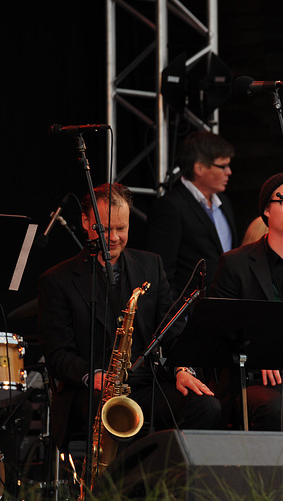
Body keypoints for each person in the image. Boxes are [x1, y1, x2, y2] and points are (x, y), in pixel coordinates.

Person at [37, 183, 221, 454]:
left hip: (145, 385)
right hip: (90, 392)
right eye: (105, 228)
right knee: (108, 410)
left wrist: (182, 369)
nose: (113, 237)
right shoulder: (56, 280)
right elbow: (58, 354)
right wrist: (96, 377)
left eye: (121, 229)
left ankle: (169, 484)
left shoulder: (151, 265)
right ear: (86, 222)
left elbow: (174, 334)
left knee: (206, 407)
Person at [208, 172, 283, 430]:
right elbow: (218, 331)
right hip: (255, 381)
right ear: (266, 209)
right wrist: (258, 356)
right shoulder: (236, 263)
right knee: (272, 407)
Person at [146, 130, 237, 294]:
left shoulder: (224, 202)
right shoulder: (170, 207)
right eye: (222, 166)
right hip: (191, 313)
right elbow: (162, 271)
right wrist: (176, 315)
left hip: (226, 307)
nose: (229, 172)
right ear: (199, 167)